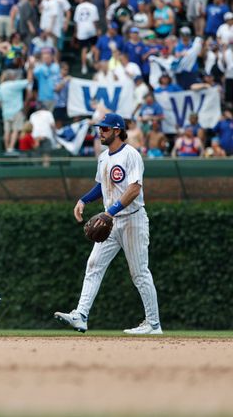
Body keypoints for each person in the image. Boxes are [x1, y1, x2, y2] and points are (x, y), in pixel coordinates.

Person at [55, 113, 161, 335]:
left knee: (139, 273)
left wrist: (109, 212)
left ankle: (153, 324)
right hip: (111, 220)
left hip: (132, 219)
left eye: (104, 128)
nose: (100, 132)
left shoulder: (131, 155)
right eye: (99, 128)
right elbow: (100, 187)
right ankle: (81, 316)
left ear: (117, 130)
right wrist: (83, 200)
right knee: (93, 265)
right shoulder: (103, 157)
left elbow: (134, 189)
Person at [0, 70, 31, 153]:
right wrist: (31, 68)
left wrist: (5, 107)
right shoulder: (15, 84)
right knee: (15, 130)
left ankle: (7, 148)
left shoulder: (1, 86)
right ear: (12, 77)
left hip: (6, 113)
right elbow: (29, 80)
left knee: (7, 131)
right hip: (16, 111)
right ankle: (11, 148)